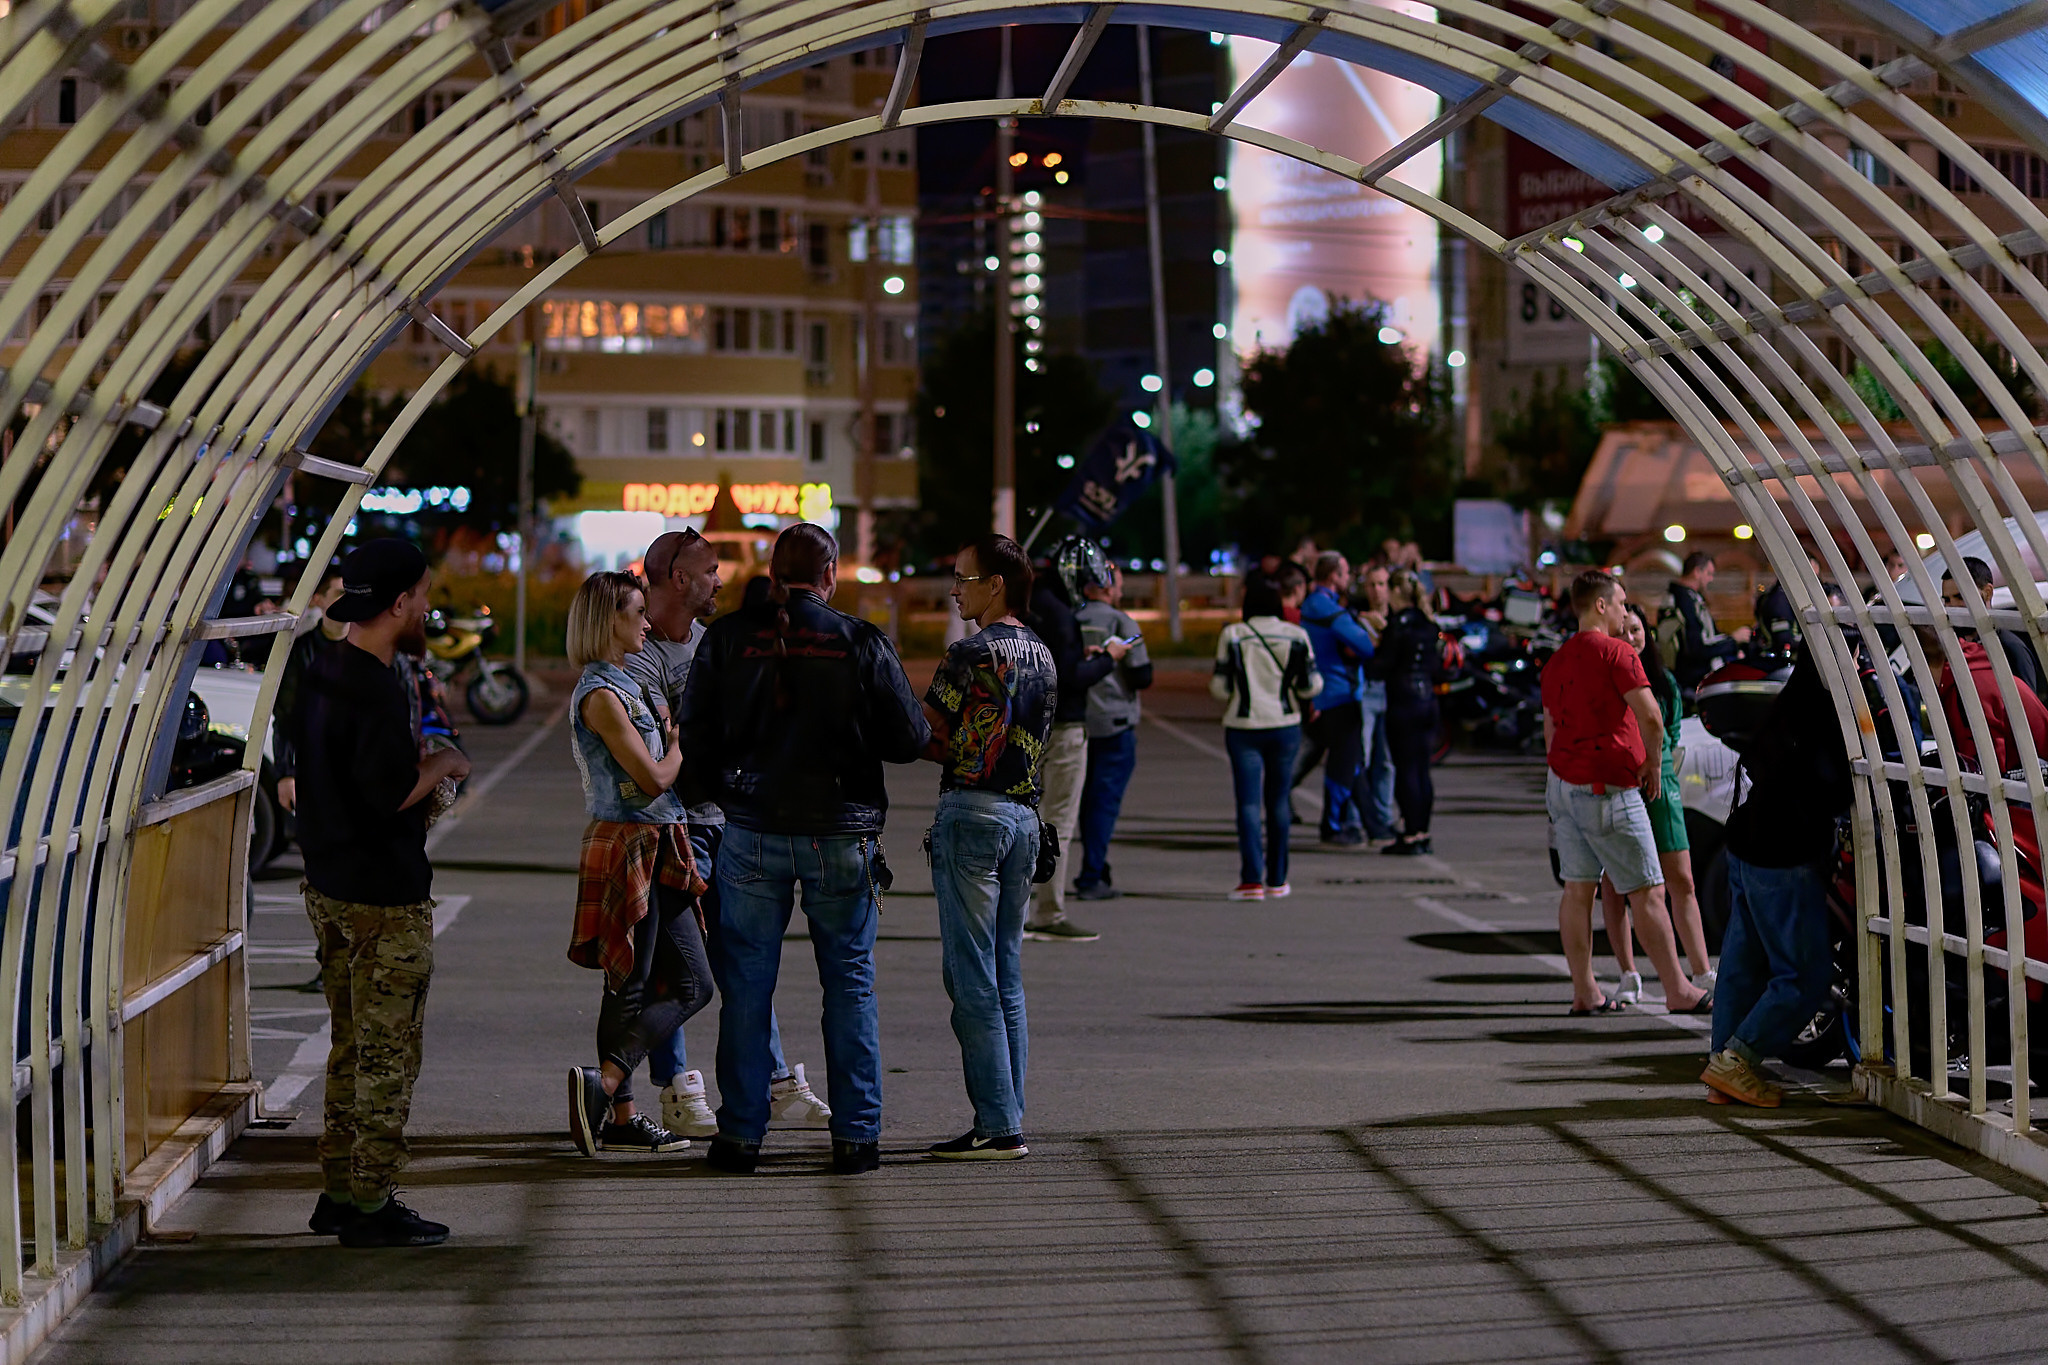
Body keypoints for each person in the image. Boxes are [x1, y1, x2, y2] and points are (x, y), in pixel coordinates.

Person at [677, 524, 929, 1176]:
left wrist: (725, 793)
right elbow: (909, 738)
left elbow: (694, 735)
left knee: (747, 988)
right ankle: (856, 1137)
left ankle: (739, 1137)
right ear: (832, 572)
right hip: (842, 833)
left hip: (752, 827)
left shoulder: (729, 638)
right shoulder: (860, 640)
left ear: (773, 568)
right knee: (849, 983)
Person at [622, 530, 831, 1139]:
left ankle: (772, 1081)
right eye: (710, 570)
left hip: (721, 822)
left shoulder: (711, 642)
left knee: (740, 955)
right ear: (678, 579)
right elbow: (658, 744)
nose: (720, 579)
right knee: (676, 968)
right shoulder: (639, 655)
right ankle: (678, 1087)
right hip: (669, 829)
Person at [295, 539, 471, 1247]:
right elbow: (391, 791)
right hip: (384, 895)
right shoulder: (374, 683)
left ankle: (337, 1187)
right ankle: (371, 1201)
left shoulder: (323, 667)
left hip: (329, 883)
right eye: (424, 593)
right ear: (398, 603)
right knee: (388, 1053)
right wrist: (445, 764)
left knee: (348, 1042)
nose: (428, 605)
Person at [562, 571, 711, 1158]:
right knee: (631, 981)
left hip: (658, 839)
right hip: (630, 842)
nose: (647, 623)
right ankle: (615, 1102)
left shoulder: (628, 683)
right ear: (609, 621)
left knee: (689, 981)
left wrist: (671, 743)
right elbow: (651, 778)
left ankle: (610, 1091)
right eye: (636, 612)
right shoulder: (600, 695)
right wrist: (679, 746)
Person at [920, 534, 1058, 1159]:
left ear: (996, 583)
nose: (955, 589)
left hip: (972, 814)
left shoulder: (971, 654)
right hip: (1025, 818)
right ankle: (1008, 1112)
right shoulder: (1044, 655)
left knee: (971, 974)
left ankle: (998, 1125)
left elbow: (929, 733)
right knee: (1007, 975)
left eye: (964, 578)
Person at [1543, 570, 1710, 1015]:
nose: (1623, 611)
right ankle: (1677, 989)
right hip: (1608, 788)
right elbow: (1651, 718)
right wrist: (1652, 764)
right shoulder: (1616, 653)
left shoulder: (1558, 659)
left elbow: (1550, 728)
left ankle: (1585, 990)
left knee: (1578, 891)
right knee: (1648, 891)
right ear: (1600, 606)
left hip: (1564, 785)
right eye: (1619, 603)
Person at [1703, 650, 1851, 1106]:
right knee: (1806, 975)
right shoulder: (1830, 712)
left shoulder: (1789, 702)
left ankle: (1721, 1066)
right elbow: (1836, 785)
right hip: (1784, 855)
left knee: (1741, 969)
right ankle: (1738, 1061)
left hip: (1746, 844)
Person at [1596, 603, 1715, 1003]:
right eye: (1623, 630)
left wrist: (1659, 765)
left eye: (1636, 629)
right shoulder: (1607, 675)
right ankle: (1629, 974)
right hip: (1621, 783)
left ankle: (1702, 971)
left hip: (1663, 785)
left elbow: (1674, 734)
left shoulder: (1661, 680)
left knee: (1681, 879)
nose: (1631, 637)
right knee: (1616, 885)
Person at [1023, 538, 1129, 943]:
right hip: (1063, 726)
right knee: (1057, 824)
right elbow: (1068, 678)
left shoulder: (1031, 605)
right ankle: (1048, 913)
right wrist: (1108, 659)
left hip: (1025, 724)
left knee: (1020, 821)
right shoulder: (1062, 614)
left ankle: (1012, 914)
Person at [1212, 570, 1321, 899]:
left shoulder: (1233, 635)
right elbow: (1312, 684)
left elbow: (1219, 687)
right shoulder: (1296, 636)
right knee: (1278, 802)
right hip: (1285, 724)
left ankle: (1250, 881)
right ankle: (1278, 879)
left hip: (1243, 727)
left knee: (1248, 804)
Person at [1072, 563, 1153, 901]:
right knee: (1104, 803)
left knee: (1081, 800)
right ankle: (1092, 874)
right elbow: (1142, 675)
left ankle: (1097, 863)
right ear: (1107, 588)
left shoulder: (1070, 619)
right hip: (1115, 722)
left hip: (1077, 721)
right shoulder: (1124, 623)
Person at [1299, 552, 1378, 848]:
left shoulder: (1316, 604)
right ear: (1334, 576)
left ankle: (1373, 826)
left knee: (1352, 764)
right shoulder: (1325, 607)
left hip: (1327, 695)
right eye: (1345, 573)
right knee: (1344, 766)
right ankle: (1332, 826)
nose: (1348, 579)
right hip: (1337, 696)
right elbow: (1364, 645)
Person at [1368, 568, 1448, 856]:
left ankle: (1412, 833)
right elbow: (1437, 667)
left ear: (1395, 592)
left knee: (1406, 770)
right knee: (1422, 769)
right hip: (1427, 699)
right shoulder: (1428, 624)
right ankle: (1423, 832)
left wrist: (1374, 646)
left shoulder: (1397, 626)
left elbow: (1381, 666)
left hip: (1402, 700)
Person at [274, 565, 348, 818]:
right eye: (339, 593)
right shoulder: (302, 652)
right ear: (320, 600)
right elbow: (286, 716)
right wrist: (286, 773)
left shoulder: (372, 649)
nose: (348, 600)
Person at [1943, 556, 2044, 698]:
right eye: (1946, 600)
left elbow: (2027, 709)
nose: (1952, 606)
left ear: (1988, 592)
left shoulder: (2010, 648)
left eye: (1960, 597)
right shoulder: (1951, 644)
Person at [1663, 551, 1749, 695]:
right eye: (1709, 573)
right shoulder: (1685, 602)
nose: (1710, 579)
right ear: (1697, 572)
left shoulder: (1684, 598)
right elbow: (1698, 648)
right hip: (1693, 681)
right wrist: (1733, 641)